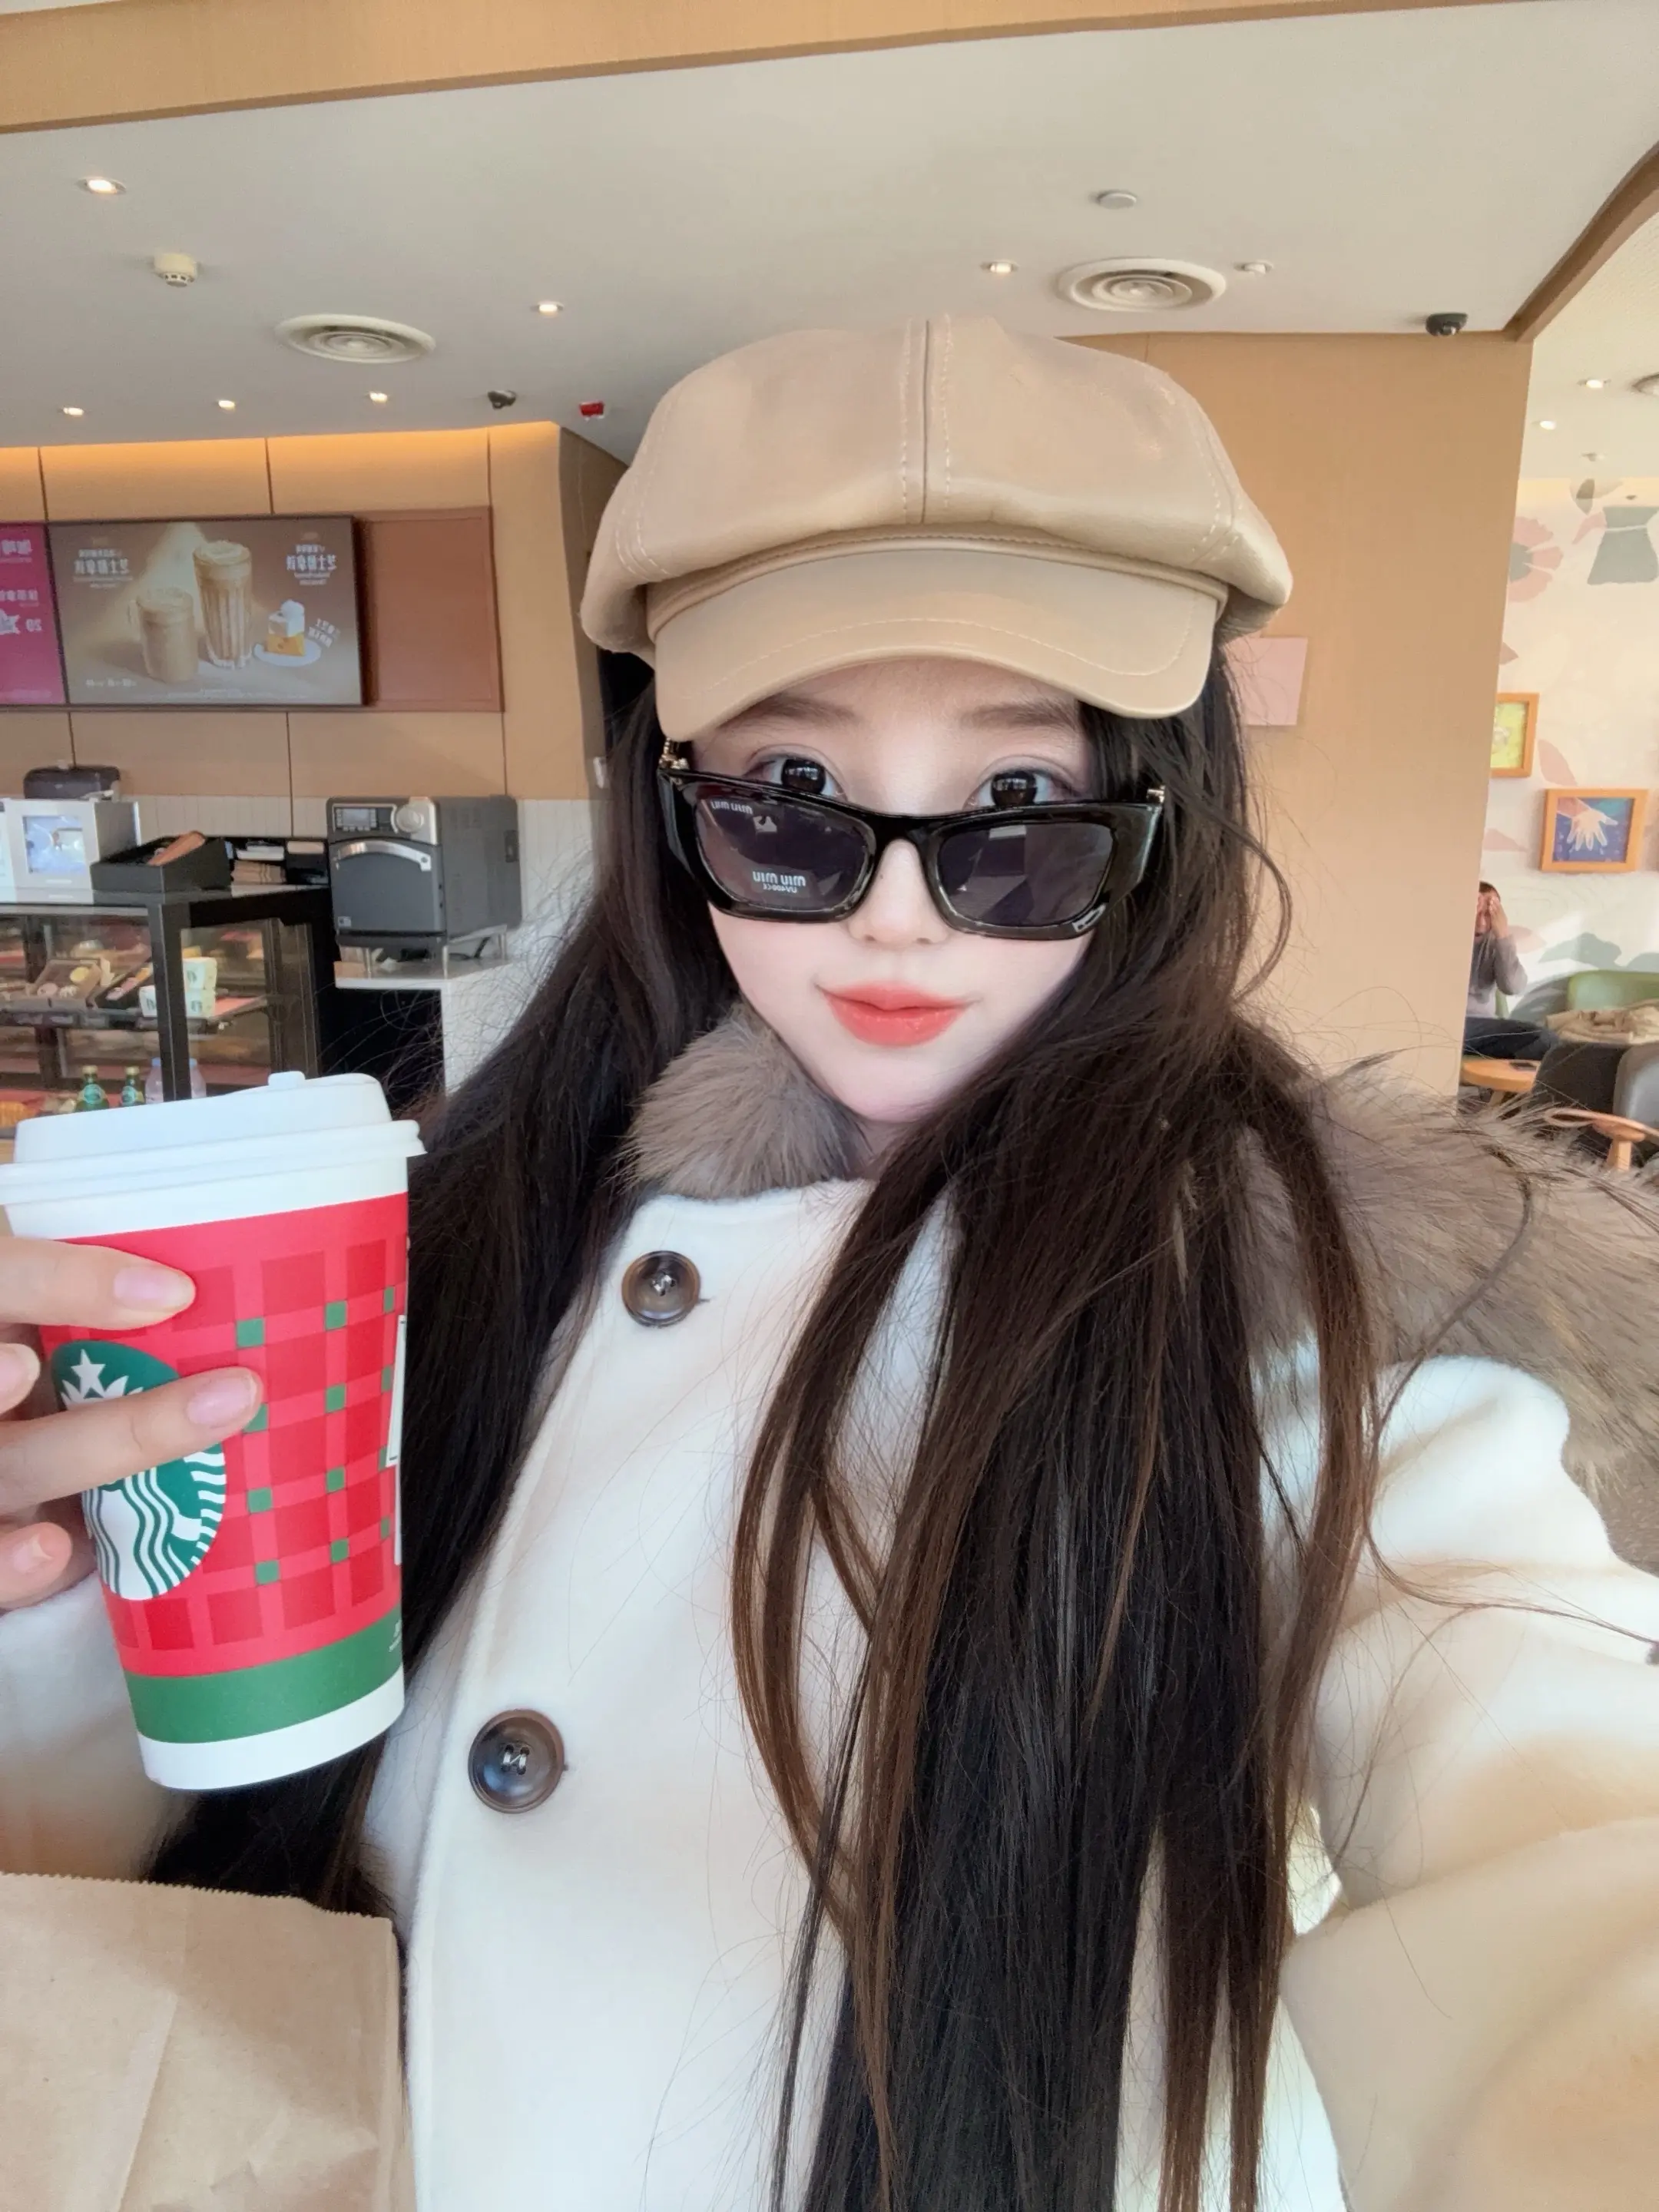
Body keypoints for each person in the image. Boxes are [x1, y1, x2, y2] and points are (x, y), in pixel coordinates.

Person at [3, 320, 1659, 2212]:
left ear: (1158, 826)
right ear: (670, 797)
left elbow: (1556, 1816)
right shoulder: (466, 1229)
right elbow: (157, 1850)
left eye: (1016, 817)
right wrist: (48, 1592)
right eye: (788, 796)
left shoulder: (1297, 1325)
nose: (891, 914)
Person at [1464, 879, 1554, 1062]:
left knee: (1544, 1040)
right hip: (1452, 1024)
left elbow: (1513, 987)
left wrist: (1503, 935)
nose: (1481, 922)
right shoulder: (1444, 937)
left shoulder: (1497, 942)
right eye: (1477, 912)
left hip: (1483, 1028)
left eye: (1489, 914)